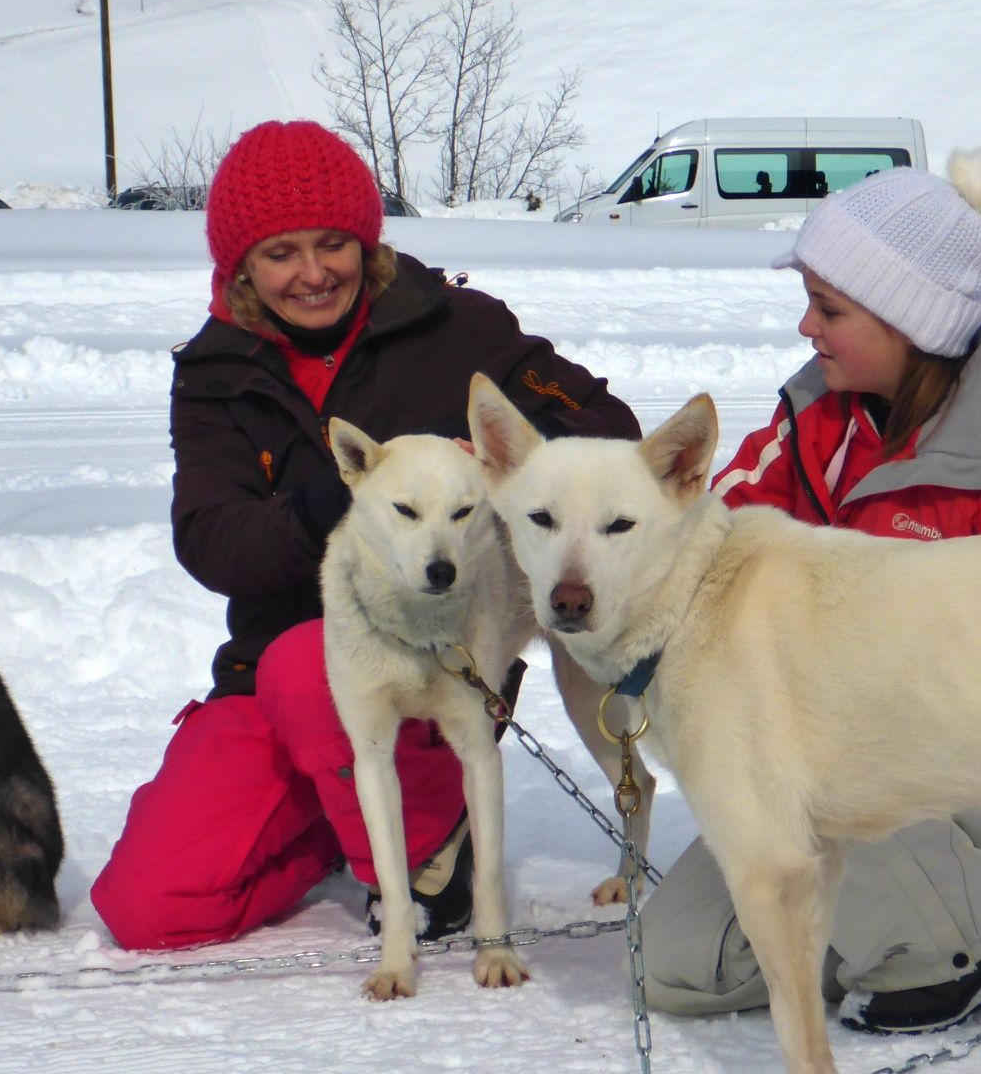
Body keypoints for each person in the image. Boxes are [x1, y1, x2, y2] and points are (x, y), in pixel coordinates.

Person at [91, 120, 639, 951]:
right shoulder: (216, 373)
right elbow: (210, 541)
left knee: (308, 671)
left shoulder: (458, 328)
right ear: (240, 265)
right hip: (270, 672)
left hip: (432, 652)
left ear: (366, 240)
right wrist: (315, 508)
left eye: (332, 244)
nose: (312, 273)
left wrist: (500, 453)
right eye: (280, 253)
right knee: (149, 908)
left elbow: (608, 425)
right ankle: (338, 827)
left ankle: (425, 861)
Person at [640, 142, 981, 1034]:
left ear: (911, 322)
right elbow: (711, 535)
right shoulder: (818, 419)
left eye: (827, 309)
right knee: (681, 968)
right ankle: (906, 906)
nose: (806, 329)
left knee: (829, 768)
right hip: (833, 741)